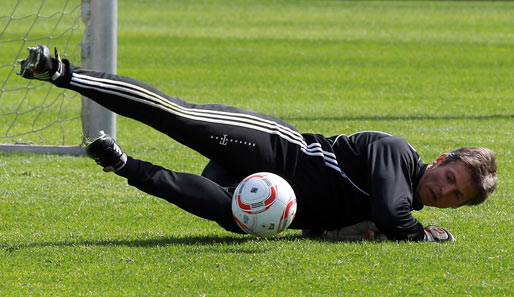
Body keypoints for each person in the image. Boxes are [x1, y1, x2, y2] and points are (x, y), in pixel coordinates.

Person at [17, 45, 498, 242]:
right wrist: (422, 236)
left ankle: (123, 165)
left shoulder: (389, 207)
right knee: (178, 117)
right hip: (270, 148)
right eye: (450, 178)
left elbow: (330, 229)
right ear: (441, 158)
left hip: (270, 198)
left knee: (234, 217)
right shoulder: (395, 153)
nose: (444, 191)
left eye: (456, 197)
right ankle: (61, 72)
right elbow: (392, 215)